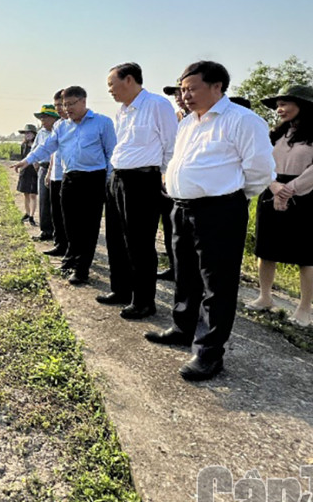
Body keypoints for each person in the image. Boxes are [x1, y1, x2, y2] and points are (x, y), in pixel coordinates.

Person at [144, 61, 275, 381]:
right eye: (183, 89)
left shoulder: (242, 120)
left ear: (217, 87)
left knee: (217, 283)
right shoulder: (190, 122)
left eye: (191, 88)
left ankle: (209, 352)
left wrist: (230, 198)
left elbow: (259, 170)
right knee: (185, 274)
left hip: (219, 210)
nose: (185, 95)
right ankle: (182, 327)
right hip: (182, 207)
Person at [245, 85, 313, 326]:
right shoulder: (276, 133)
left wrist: (289, 191)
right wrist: (275, 187)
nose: (279, 109)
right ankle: (265, 297)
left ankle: (304, 309)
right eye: (278, 104)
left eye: (285, 104)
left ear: (303, 106)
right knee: (266, 250)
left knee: (305, 254)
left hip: (303, 195)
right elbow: (262, 162)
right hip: (272, 189)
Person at [12, 86, 116, 285]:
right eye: (64, 105)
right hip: (70, 179)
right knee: (70, 225)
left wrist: (108, 182)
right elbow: (47, 146)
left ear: (83, 101)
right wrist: (27, 160)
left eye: (70, 104)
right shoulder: (62, 126)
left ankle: (82, 269)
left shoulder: (102, 122)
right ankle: (73, 260)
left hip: (94, 178)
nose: (67, 109)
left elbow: (111, 153)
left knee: (89, 226)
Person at [99, 63, 178, 320]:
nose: (110, 90)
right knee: (116, 239)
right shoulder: (122, 111)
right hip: (118, 179)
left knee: (139, 243)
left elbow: (171, 145)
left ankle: (144, 301)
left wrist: (165, 177)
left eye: (112, 84)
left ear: (129, 80)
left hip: (143, 181)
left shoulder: (157, 105)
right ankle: (120, 290)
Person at [156, 81, 192, 281]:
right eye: (176, 94)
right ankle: (173, 266)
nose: (178, 97)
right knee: (170, 226)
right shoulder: (176, 117)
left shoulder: (202, 118)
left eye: (181, 92)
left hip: (189, 183)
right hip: (168, 177)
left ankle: (187, 271)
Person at [32, 104, 60, 241]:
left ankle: (59, 233)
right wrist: (35, 163)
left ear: (54, 118)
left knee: (57, 202)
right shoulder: (41, 133)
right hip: (43, 167)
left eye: (45, 117)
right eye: (41, 118)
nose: (42, 120)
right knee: (43, 200)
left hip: (58, 168)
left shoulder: (60, 130)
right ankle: (46, 231)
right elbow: (35, 149)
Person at [44, 90, 67, 254]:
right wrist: (49, 172)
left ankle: (71, 249)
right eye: (57, 105)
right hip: (55, 175)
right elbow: (52, 152)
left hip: (68, 177)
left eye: (61, 105)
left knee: (68, 216)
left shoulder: (75, 125)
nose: (58, 108)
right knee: (56, 214)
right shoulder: (59, 126)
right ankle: (60, 244)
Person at [16, 124, 39, 225]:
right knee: (26, 194)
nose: (27, 135)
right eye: (26, 133)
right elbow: (22, 158)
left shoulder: (38, 146)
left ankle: (32, 216)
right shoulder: (23, 145)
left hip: (34, 171)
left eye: (29, 132)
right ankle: (27, 212)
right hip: (25, 171)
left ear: (34, 134)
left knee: (33, 195)